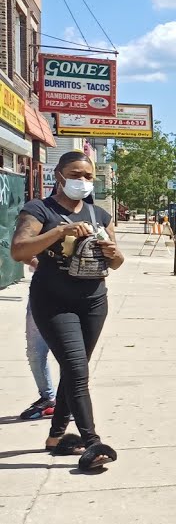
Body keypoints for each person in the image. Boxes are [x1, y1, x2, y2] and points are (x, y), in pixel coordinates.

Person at [9, 151, 124, 471]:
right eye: (76, 174)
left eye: (88, 177)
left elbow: (116, 262)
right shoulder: (39, 210)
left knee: (75, 370)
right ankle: (91, 442)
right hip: (53, 301)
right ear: (58, 176)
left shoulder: (99, 214)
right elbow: (19, 250)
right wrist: (59, 232)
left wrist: (114, 253)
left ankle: (57, 437)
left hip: (93, 302)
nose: (83, 181)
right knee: (77, 371)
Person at [17, 258, 56, 421]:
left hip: (76, 293)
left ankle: (70, 402)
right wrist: (37, 262)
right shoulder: (36, 230)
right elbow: (20, 249)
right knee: (35, 351)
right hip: (42, 290)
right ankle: (48, 398)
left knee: (71, 355)